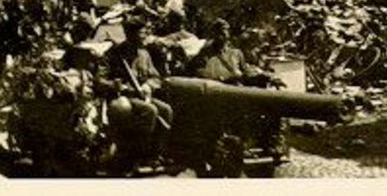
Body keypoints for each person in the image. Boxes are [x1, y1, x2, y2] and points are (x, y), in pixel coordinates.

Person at [98, 12, 173, 172]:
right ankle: (137, 156)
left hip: (143, 95)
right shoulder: (115, 54)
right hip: (123, 98)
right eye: (141, 32)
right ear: (130, 34)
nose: (145, 35)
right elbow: (100, 79)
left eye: (146, 32)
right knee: (150, 111)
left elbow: (156, 77)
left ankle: (156, 154)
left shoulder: (144, 54)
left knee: (166, 110)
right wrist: (115, 84)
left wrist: (148, 86)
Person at [189, 18, 282, 87]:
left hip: (237, 90)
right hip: (219, 94)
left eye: (225, 33)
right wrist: (225, 79)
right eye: (219, 34)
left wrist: (268, 78)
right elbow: (200, 77)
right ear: (213, 35)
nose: (223, 37)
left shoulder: (236, 53)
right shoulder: (204, 55)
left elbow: (246, 72)